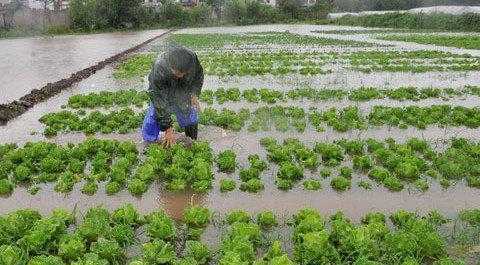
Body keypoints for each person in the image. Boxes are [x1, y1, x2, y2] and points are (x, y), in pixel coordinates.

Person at [142, 45, 204, 146]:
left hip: (183, 90)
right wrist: (168, 128)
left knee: (190, 113)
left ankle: (192, 140)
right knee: (153, 116)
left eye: (184, 73)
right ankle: (149, 142)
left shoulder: (192, 59)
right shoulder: (160, 67)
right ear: (170, 65)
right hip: (162, 92)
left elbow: (199, 75)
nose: (181, 75)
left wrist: (194, 93)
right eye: (178, 73)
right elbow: (159, 100)